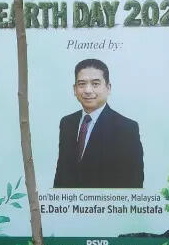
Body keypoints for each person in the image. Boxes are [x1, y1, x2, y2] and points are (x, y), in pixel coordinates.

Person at [53, 58, 144, 188]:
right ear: (75, 89)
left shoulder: (126, 128)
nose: (88, 90)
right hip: (69, 206)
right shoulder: (67, 123)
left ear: (108, 88)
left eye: (95, 84)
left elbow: (133, 184)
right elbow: (61, 175)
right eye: (82, 84)